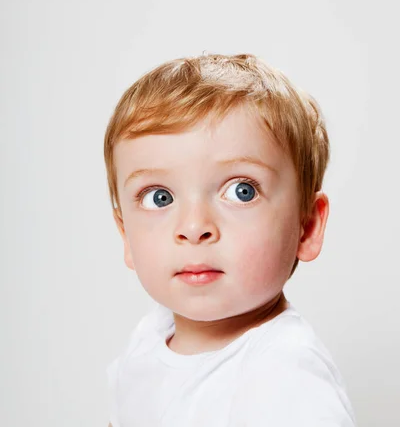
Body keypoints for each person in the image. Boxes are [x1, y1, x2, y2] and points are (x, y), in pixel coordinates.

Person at [103, 52, 357, 426]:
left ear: (307, 227)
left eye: (242, 191)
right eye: (160, 197)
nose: (193, 227)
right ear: (126, 234)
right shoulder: (149, 340)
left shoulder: (286, 375)